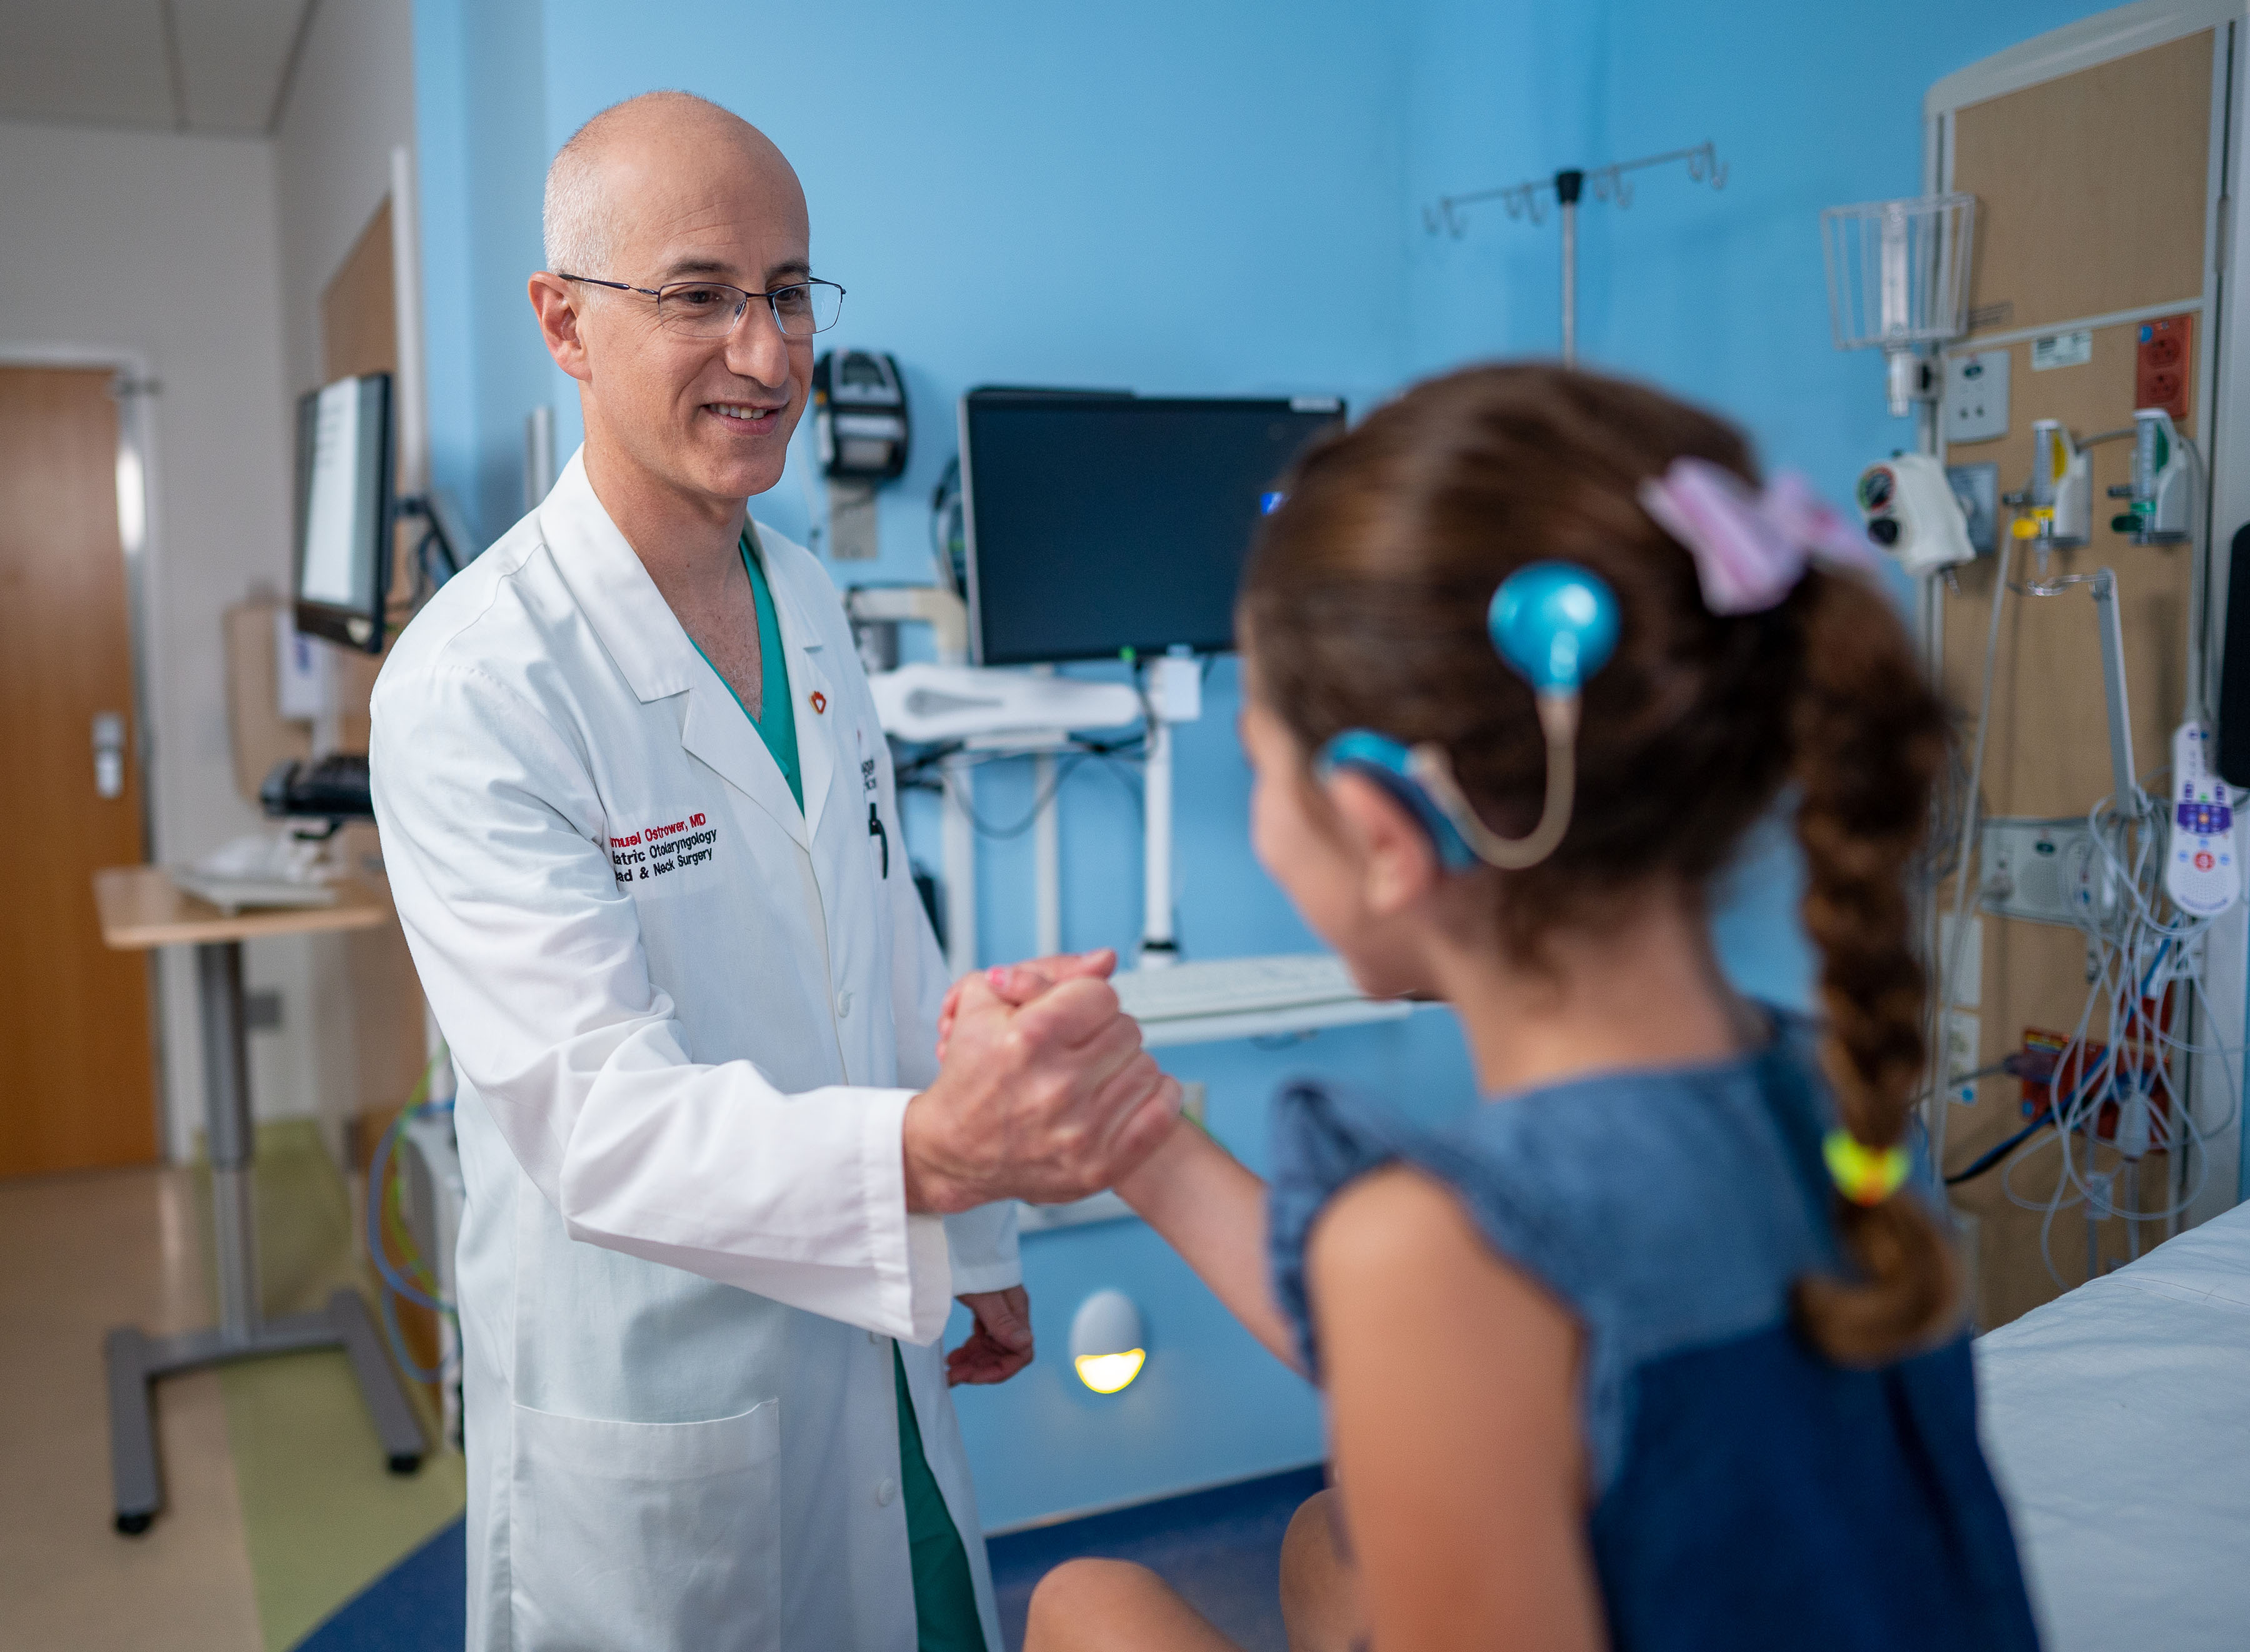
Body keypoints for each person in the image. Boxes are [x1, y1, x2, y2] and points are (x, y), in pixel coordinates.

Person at [1013, 365, 2041, 1650]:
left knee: (1085, 1601)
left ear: (1386, 836)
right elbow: (1527, 1356)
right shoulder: (1842, 1088)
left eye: (1260, 770)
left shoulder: (1436, 1252)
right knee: (1318, 1544)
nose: (1264, 822)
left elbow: (1461, 1314)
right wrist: (1142, 1132)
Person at [370, 92, 1178, 1652]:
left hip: (876, 1337)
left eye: (791, 291)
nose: (765, 350)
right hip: (667, 1392)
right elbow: (595, 1118)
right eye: (698, 295)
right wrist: (931, 1171)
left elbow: (881, 937)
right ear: (564, 322)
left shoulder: (806, 597)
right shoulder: (474, 680)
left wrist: (984, 1231)